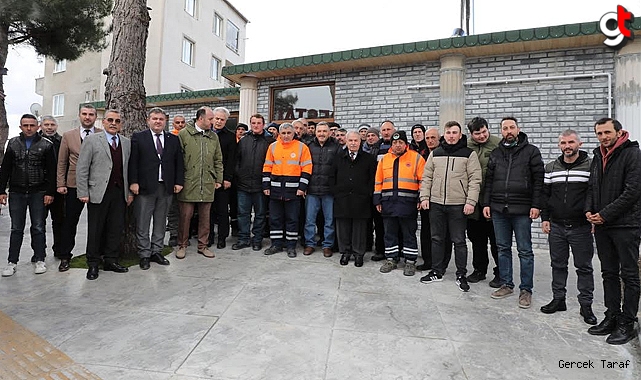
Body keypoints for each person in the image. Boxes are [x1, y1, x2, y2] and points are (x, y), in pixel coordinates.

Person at [585, 118, 641, 345]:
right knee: (608, 273)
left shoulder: (632, 154)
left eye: (607, 132)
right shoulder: (598, 155)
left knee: (629, 275)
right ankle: (612, 316)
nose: (603, 137)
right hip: (603, 225)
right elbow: (592, 186)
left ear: (619, 132)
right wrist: (589, 210)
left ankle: (628, 323)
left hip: (626, 225)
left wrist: (605, 213)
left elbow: (633, 191)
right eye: (599, 133)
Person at [483, 117, 544, 309]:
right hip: (499, 208)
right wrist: (487, 203)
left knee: (525, 251)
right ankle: (507, 284)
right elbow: (489, 181)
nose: (508, 131)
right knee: (502, 248)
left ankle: (526, 290)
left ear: (518, 129)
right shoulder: (496, 153)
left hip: (522, 210)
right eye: (505, 128)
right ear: (501, 131)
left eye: (511, 127)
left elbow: (538, 181)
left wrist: (536, 205)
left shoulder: (531, 152)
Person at [539, 129, 596, 324]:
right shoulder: (551, 168)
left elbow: (593, 195)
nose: (567, 146)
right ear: (559, 146)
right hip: (556, 226)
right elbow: (545, 196)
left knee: (584, 268)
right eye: (563, 143)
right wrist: (545, 218)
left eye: (571, 142)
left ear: (579, 144)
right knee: (558, 265)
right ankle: (558, 299)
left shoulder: (590, 167)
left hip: (581, 227)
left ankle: (586, 306)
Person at [419, 121, 481, 292]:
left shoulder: (469, 154)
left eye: (455, 132)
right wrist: (425, 197)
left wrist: (471, 202)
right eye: (448, 132)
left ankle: (461, 274)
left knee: (459, 241)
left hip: (458, 205)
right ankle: (437, 271)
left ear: (460, 135)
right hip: (436, 203)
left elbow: (475, 180)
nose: (451, 136)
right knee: (437, 238)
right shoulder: (435, 153)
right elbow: (427, 178)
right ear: (444, 135)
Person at [76, 109, 134, 280]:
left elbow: (128, 169)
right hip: (97, 192)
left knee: (115, 229)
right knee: (95, 229)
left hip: (119, 193)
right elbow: (82, 168)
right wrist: (83, 192)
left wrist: (129, 192)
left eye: (117, 121)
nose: (113, 123)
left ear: (121, 124)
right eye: (110, 120)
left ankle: (111, 260)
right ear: (104, 122)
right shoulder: (92, 140)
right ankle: (93, 264)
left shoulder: (126, 142)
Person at [0, 114, 56, 277]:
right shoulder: (12, 144)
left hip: (38, 192)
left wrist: (49, 192)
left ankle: (40, 259)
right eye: (26, 125)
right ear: (21, 127)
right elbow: (5, 168)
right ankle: (12, 262)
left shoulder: (46, 145)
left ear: (38, 127)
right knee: (16, 228)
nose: (29, 128)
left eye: (32, 125)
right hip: (17, 191)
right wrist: (2, 190)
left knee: (38, 227)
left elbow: (51, 172)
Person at [129, 107, 184, 270]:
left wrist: (178, 181)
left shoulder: (173, 139)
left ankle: (156, 251)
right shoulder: (139, 138)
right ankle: (144, 254)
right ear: (148, 120)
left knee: (160, 221)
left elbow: (179, 162)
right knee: (143, 222)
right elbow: (133, 162)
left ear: (165, 121)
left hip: (166, 187)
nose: (158, 121)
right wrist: (133, 182)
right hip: (145, 188)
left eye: (161, 119)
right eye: (155, 119)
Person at [56, 104, 102, 272]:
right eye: (84, 114)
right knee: (70, 222)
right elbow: (62, 162)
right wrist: (60, 183)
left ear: (95, 117)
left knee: (96, 223)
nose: (87, 117)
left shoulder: (101, 135)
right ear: (79, 115)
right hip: (73, 185)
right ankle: (65, 256)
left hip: (96, 185)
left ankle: (96, 256)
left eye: (91, 114)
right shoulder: (68, 136)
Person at [374, 130, 425, 276]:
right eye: (394, 143)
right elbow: (378, 181)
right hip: (388, 203)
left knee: (409, 233)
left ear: (406, 144)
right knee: (389, 233)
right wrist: (377, 199)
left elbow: (423, 181)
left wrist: (421, 198)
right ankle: (391, 259)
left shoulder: (416, 158)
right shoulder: (384, 159)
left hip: (408, 203)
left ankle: (410, 261)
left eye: (400, 142)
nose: (397, 145)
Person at [176, 106, 224, 259]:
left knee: (205, 217)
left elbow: (218, 159)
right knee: (185, 216)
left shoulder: (214, 137)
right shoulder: (184, 134)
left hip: (208, 182)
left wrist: (219, 179)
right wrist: (178, 181)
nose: (213, 122)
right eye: (210, 119)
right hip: (188, 182)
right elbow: (177, 161)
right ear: (201, 118)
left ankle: (203, 246)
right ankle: (182, 245)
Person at [262, 123, 312, 258]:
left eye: (288, 133)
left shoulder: (302, 147)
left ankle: (291, 246)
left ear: (293, 133)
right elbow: (267, 167)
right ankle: (276, 244)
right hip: (275, 190)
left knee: (292, 219)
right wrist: (266, 186)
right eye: (283, 133)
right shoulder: (272, 147)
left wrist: (302, 188)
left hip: (294, 191)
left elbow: (307, 169)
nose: (286, 136)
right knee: (275, 218)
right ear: (279, 134)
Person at [332, 131, 377, 267]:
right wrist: (336, 192)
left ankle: (358, 254)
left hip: (361, 199)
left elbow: (372, 178)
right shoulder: (338, 157)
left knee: (359, 229)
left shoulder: (368, 158)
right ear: (346, 141)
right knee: (343, 228)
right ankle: (345, 252)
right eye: (350, 140)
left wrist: (367, 193)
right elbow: (331, 177)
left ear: (360, 142)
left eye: (355, 141)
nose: (353, 143)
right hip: (342, 198)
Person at [466, 117, 501, 287]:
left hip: (493, 200)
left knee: (496, 239)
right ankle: (479, 269)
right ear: (471, 134)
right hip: (473, 201)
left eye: (484, 132)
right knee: (477, 239)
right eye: (477, 133)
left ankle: (501, 272)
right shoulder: (466, 146)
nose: (481, 136)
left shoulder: (498, 144)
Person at [232, 114, 275, 251]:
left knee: (260, 214)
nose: (256, 125)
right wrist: (239, 174)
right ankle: (243, 239)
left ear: (263, 124)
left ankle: (257, 240)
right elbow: (237, 160)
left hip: (260, 185)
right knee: (243, 214)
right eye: (253, 123)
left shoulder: (269, 141)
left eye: (259, 123)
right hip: (243, 184)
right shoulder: (243, 140)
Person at [303, 122, 340, 257]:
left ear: (330, 132)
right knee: (310, 220)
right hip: (312, 190)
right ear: (315, 132)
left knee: (329, 221)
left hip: (329, 191)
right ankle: (310, 244)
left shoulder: (336, 147)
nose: (322, 134)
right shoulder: (309, 146)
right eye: (319, 131)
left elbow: (338, 169)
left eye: (325, 131)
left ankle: (327, 245)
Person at [209, 107, 237, 249]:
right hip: (208, 179)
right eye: (217, 118)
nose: (219, 121)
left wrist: (227, 179)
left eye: (222, 119)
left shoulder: (230, 136)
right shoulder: (205, 133)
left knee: (222, 210)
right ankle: (208, 237)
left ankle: (222, 238)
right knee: (208, 210)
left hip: (223, 180)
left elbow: (232, 160)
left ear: (226, 121)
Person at [38, 116, 64, 263]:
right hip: (40, 188)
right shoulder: (36, 141)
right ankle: (39, 251)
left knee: (59, 220)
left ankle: (59, 249)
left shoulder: (61, 141)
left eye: (52, 124)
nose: (49, 127)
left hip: (58, 187)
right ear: (41, 126)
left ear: (57, 126)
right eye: (46, 124)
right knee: (39, 222)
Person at [370, 121, 396, 262]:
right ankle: (380, 250)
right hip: (380, 191)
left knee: (395, 225)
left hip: (395, 192)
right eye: (384, 130)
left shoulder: (400, 146)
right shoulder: (376, 147)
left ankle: (397, 251)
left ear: (394, 130)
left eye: (388, 129)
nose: (386, 132)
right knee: (379, 223)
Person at [167, 114, 187, 245]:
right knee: (173, 209)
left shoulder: (188, 136)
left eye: (182, 122)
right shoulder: (170, 137)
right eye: (177, 122)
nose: (180, 124)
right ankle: (174, 234)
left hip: (187, 177)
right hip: (172, 178)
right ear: (173, 124)